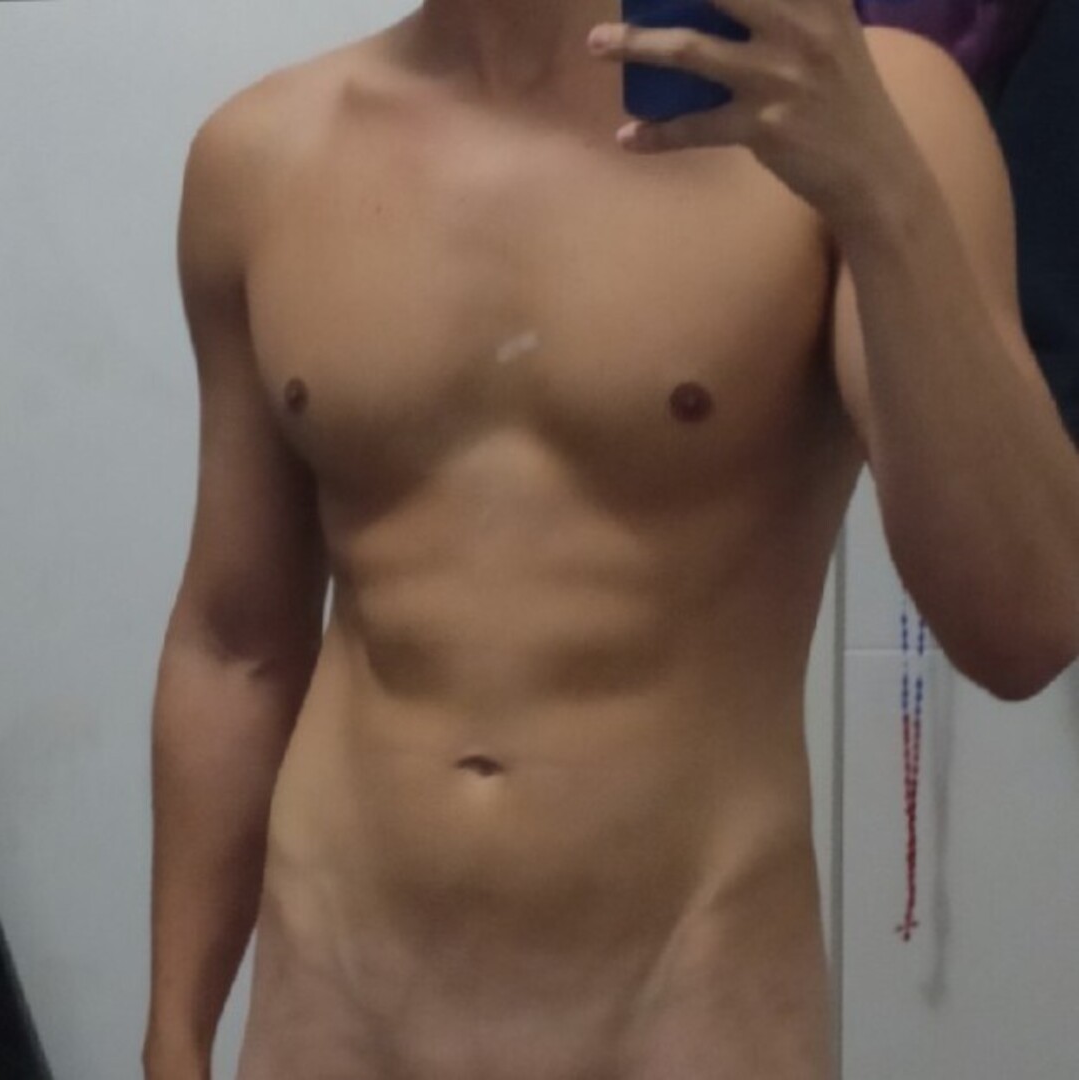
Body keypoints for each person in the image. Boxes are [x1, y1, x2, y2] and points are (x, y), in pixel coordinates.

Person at [142, 1, 1079, 1077]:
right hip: (335, 1016)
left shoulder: (863, 107)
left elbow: (1028, 625)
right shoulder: (261, 155)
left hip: (687, 1014)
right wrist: (174, 1032)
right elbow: (236, 644)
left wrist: (880, 187)